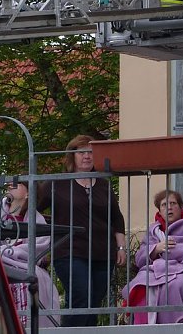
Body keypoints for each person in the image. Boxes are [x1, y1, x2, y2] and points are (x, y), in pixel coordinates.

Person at [36, 135, 126, 327]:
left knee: (92, 304)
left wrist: (121, 248)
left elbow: (116, 218)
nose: (87, 156)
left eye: (91, 152)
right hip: (69, 252)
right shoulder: (57, 183)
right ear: (72, 156)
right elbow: (33, 209)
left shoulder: (103, 184)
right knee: (81, 297)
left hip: (103, 254)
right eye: (82, 152)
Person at [122, 189, 183, 324]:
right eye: (164, 205)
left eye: (173, 203)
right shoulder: (154, 230)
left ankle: (175, 326)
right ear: (159, 211)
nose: (169, 208)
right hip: (155, 271)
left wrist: (171, 251)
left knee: (173, 286)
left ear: (181, 207)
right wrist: (156, 249)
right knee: (142, 285)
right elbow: (140, 257)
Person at [0, 181, 61, 329]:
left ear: (28, 193)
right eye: (10, 182)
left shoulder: (36, 218)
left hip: (21, 263)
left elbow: (38, 245)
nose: (10, 184)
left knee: (29, 277)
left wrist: (9, 253)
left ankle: (23, 327)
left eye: (17, 183)